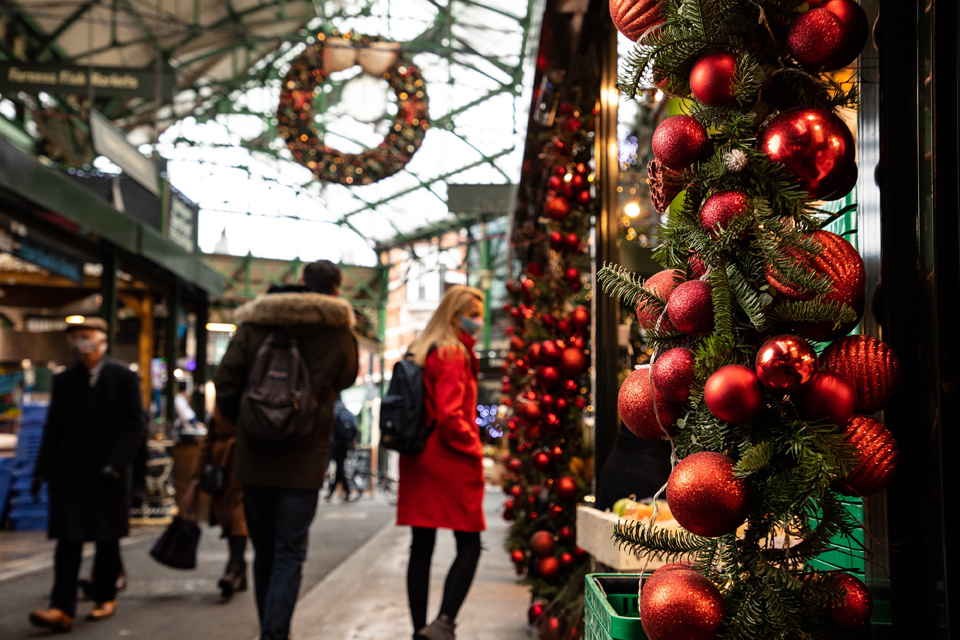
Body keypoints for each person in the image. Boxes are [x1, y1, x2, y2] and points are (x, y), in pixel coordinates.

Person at [213, 259, 359, 640]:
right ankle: (274, 635)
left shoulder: (256, 322)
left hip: (255, 456)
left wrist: (248, 423)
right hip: (304, 457)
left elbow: (225, 380)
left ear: (300, 282)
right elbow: (347, 376)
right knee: (290, 551)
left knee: (264, 551)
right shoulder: (337, 330)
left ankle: (271, 631)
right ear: (335, 289)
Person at [29, 318, 146, 632]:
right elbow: (53, 428)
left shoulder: (122, 378)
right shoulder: (65, 379)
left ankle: (105, 597)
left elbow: (135, 424)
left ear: (102, 341)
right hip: (70, 472)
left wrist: (118, 464)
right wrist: (41, 470)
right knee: (68, 542)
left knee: (106, 540)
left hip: (109, 472)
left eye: (86, 337)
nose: (81, 343)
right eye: (76, 338)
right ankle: (60, 608)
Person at [397, 285, 486, 640]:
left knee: (422, 546)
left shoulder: (425, 349)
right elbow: (451, 416)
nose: (478, 322)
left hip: (421, 459)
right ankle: (444, 622)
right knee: (470, 544)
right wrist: (474, 447)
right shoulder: (452, 353)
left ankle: (420, 629)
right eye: (474, 315)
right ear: (455, 317)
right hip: (448, 460)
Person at [191, 406, 249, 600]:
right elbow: (208, 439)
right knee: (230, 519)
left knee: (238, 518)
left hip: (242, 465)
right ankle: (239, 568)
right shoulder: (221, 407)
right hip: (222, 470)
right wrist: (198, 473)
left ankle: (233, 568)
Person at [326, 395, 359, 502]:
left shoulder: (335, 411)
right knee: (340, 468)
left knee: (340, 469)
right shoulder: (348, 413)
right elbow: (355, 429)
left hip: (336, 445)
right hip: (346, 445)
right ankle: (333, 492)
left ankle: (343, 492)